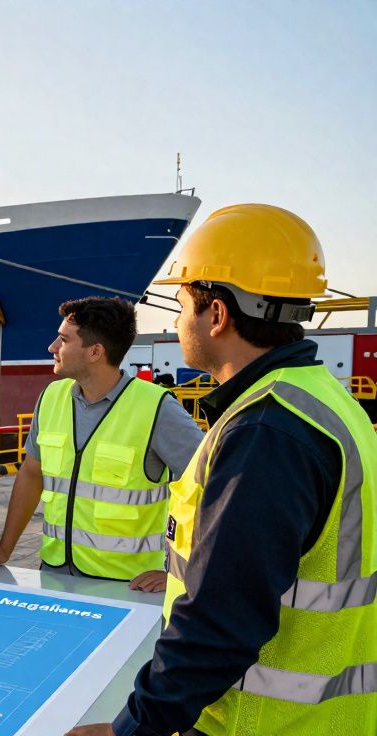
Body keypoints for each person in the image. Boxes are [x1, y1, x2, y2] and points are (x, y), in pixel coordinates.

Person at [70, 204, 377, 736]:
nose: (174, 321)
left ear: (217, 314)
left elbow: (221, 621)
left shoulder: (267, 430)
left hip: (261, 722)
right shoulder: (324, 399)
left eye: (182, 301)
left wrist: (132, 728)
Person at [0, 297, 203, 592]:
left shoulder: (157, 408)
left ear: (95, 351)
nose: (52, 347)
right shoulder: (51, 398)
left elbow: (212, 488)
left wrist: (180, 571)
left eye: (63, 339)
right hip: (54, 575)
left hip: (128, 588)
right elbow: (32, 474)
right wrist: (5, 547)